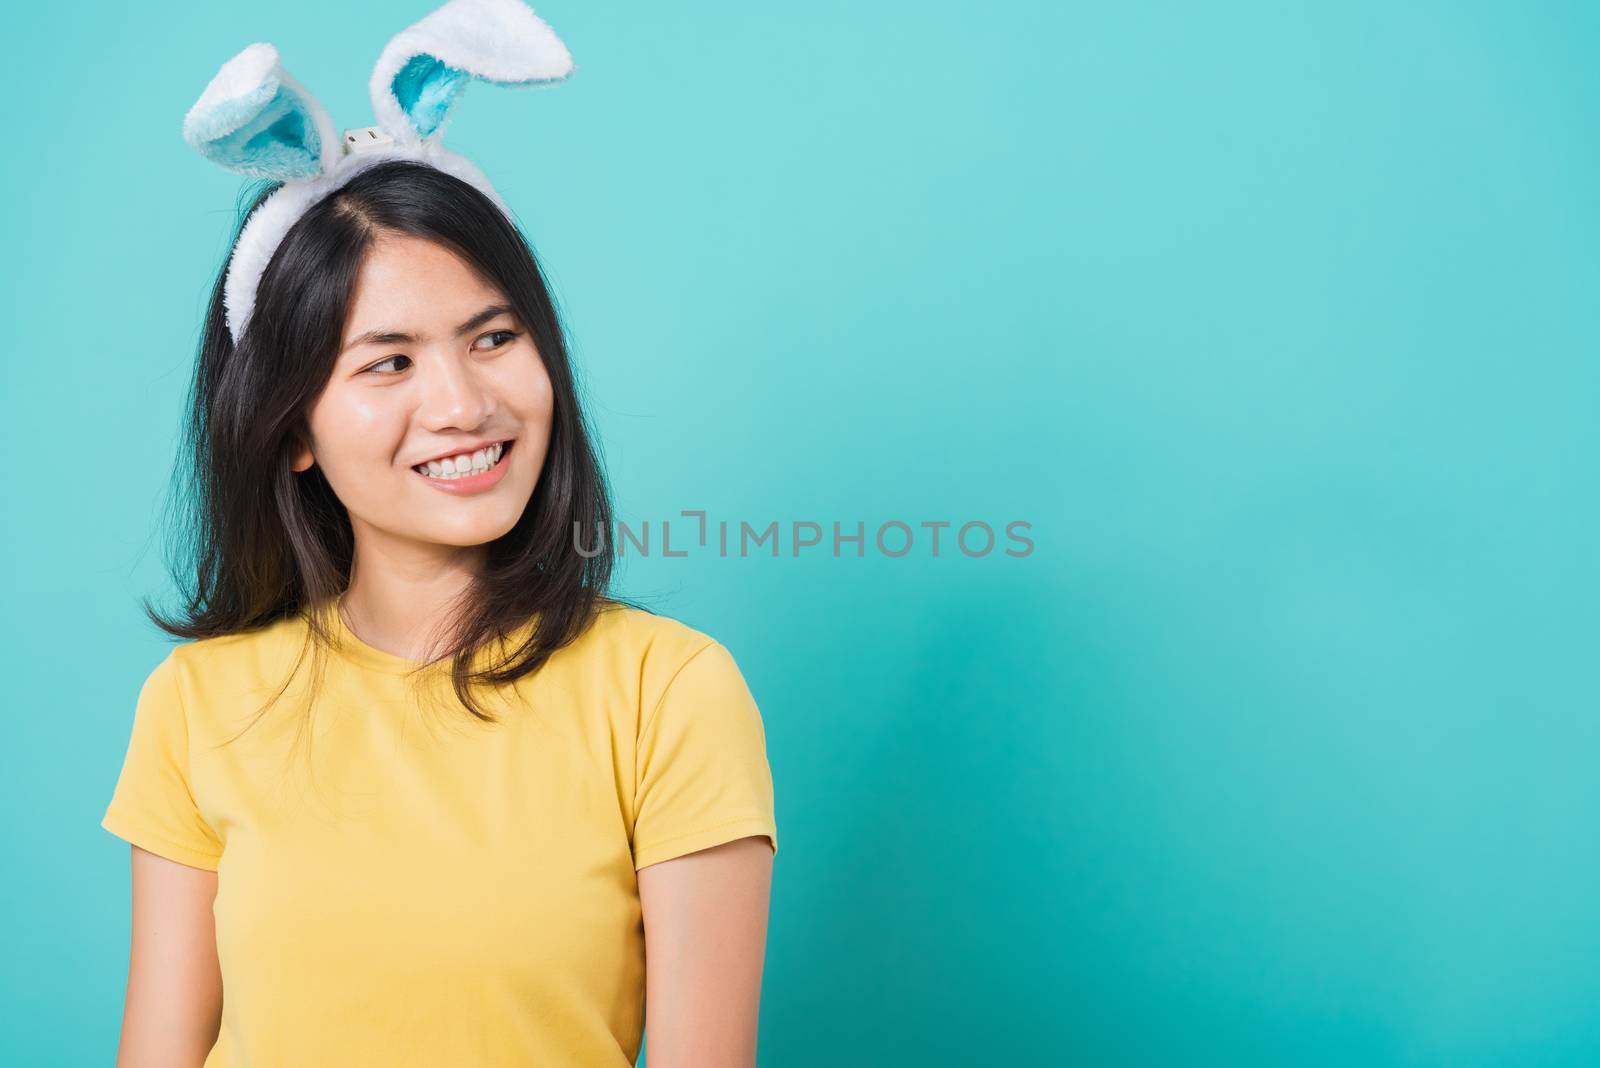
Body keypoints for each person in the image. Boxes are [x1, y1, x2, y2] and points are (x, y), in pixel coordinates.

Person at [99, 6, 778, 1066]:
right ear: (291, 432)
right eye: (388, 362)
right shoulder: (196, 709)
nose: (463, 405)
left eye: (493, 338)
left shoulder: (669, 695)